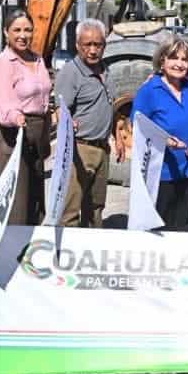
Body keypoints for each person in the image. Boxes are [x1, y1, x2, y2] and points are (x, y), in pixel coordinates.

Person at [131, 38, 188, 230]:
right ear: (162, 60)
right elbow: (138, 126)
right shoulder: (150, 90)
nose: (179, 64)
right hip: (161, 173)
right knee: (160, 227)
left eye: (184, 59)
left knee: (183, 225)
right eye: (174, 58)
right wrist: (164, 140)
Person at [0, 9, 52, 225]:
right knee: (16, 208)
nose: (23, 35)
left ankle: (30, 246)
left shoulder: (37, 59)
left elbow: (43, 97)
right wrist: (17, 117)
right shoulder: (3, 62)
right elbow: (4, 105)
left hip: (36, 136)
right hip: (11, 137)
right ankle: (11, 247)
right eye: (17, 30)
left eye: (27, 30)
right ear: (6, 32)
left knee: (35, 204)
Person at [57, 19, 116, 228]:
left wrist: (118, 135)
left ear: (104, 46)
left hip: (102, 148)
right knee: (70, 211)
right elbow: (60, 110)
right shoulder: (70, 72)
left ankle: (92, 244)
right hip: (79, 149)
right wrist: (66, 122)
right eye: (87, 45)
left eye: (97, 45)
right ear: (77, 45)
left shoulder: (105, 70)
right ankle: (66, 248)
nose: (92, 50)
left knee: (96, 207)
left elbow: (110, 105)